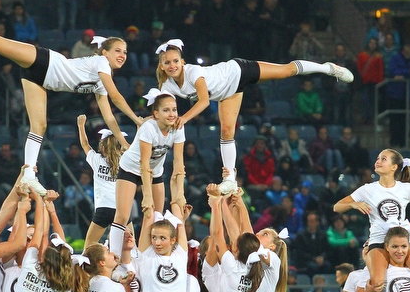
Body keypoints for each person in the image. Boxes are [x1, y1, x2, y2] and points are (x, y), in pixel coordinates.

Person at [0, 5, 142, 196]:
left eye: (125, 51)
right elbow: (116, 97)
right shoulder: (102, 64)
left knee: (40, 125)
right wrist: (136, 120)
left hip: (40, 80)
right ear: (105, 53)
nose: (122, 55)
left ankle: (29, 174)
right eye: (118, 51)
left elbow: (109, 117)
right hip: (45, 62)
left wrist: (126, 146)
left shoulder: (103, 80)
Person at [155, 39, 353, 195]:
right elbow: (161, 110)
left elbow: (204, 101)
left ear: (182, 61)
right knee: (226, 132)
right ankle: (230, 179)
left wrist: (184, 118)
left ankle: (328, 68)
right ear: (162, 66)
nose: (172, 65)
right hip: (227, 94)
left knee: (286, 71)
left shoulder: (193, 72)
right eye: (167, 62)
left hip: (238, 71)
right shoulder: (167, 86)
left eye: (175, 61)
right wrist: (144, 122)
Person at [333, 149, 410, 292]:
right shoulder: (367, 190)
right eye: (377, 158)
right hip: (378, 242)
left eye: (383, 159)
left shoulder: (405, 188)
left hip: (402, 243)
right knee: (378, 283)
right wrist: (353, 204)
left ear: (394, 167)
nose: (378, 161)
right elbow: (337, 207)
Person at [108, 89, 185, 259]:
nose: (172, 114)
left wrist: (180, 194)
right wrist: (147, 196)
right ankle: (115, 257)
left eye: (174, 109)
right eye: (166, 110)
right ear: (155, 114)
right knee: (122, 215)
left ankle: (147, 256)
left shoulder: (178, 128)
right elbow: (144, 164)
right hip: (131, 169)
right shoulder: (148, 128)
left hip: (156, 172)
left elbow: (178, 163)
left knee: (156, 217)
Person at [77, 115, 127, 246]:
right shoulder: (125, 162)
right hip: (121, 210)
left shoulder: (96, 160)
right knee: (130, 249)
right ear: (120, 148)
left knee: (88, 246)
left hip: (103, 209)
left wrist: (81, 126)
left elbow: (84, 144)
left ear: (102, 148)